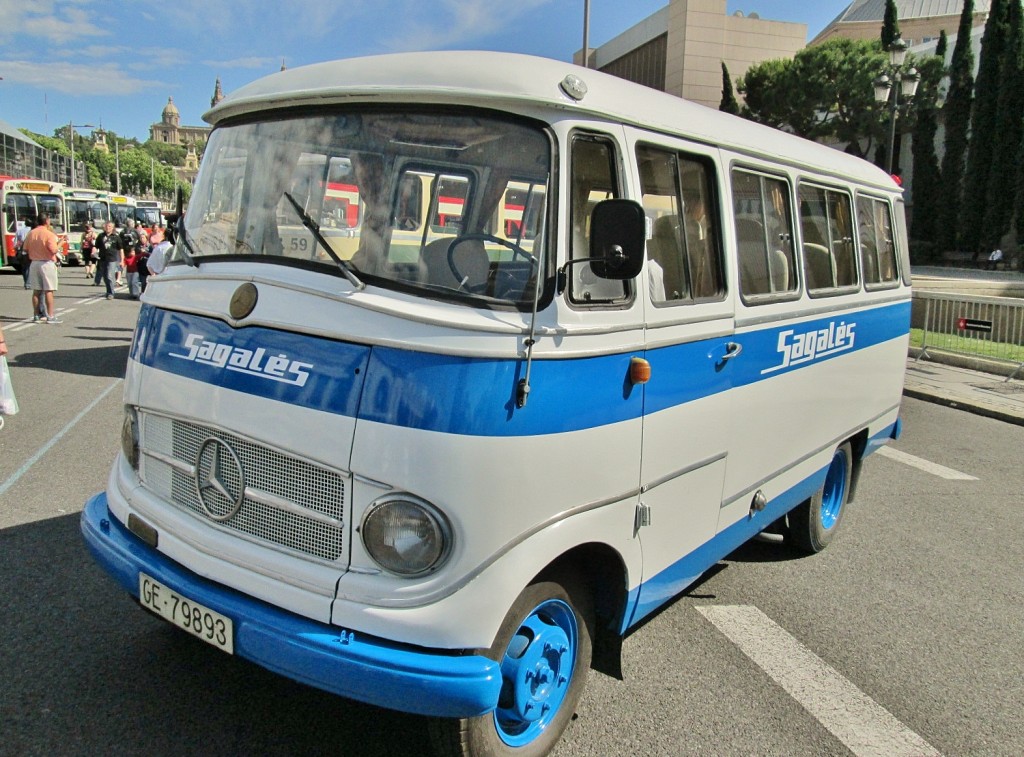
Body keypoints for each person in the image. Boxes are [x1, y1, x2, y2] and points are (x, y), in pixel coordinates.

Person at [23, 213, 62, 323]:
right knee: (49, 290)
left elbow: (25, 249)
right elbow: (53, 250)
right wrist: (61, 242)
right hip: (47, 263)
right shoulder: (48, 234)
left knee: (36, 291)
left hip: (34, 263)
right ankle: (50, 316)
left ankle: (36, 315)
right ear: (47, 221)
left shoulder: (31, 233)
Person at [95, 220, 125, 300]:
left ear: (112, 228)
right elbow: (96, 246)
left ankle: (111, 293)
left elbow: (121, 249)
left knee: (109, 275)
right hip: (102, 258)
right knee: (105, 277)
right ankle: (108, 291)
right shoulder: (101, 236)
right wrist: (93, 252)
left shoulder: (116, 237)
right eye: (107, 226)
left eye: (110, 227)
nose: (108, 228)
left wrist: (122, 260)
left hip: (112, 259)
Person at [14, 220, 32, 289]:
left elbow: (15, 242)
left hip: (21, 251)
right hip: (29, 251)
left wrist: (16, 250)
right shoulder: (32, 231)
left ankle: (26, 281)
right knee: (29, 267)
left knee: (24, 267)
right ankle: (28, 283)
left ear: (25, 224)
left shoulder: (19, 231)